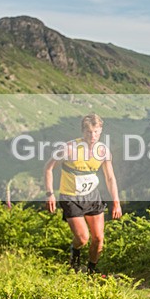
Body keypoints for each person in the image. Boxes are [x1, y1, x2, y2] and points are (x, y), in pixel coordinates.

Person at [44, 113, 122, 274]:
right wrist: (50, 193)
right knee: (82, 238)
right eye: (89, 132)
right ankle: (74, 253)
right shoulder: (69, 148)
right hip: (70, 197)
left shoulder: (103, 151)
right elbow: (48, 168)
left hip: (92, 196)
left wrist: (116, 201)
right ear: (82, 131)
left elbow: (110, 177)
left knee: (98, 238)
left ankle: (91, 271)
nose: (92, 136)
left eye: (96, 132)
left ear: (100, 131)